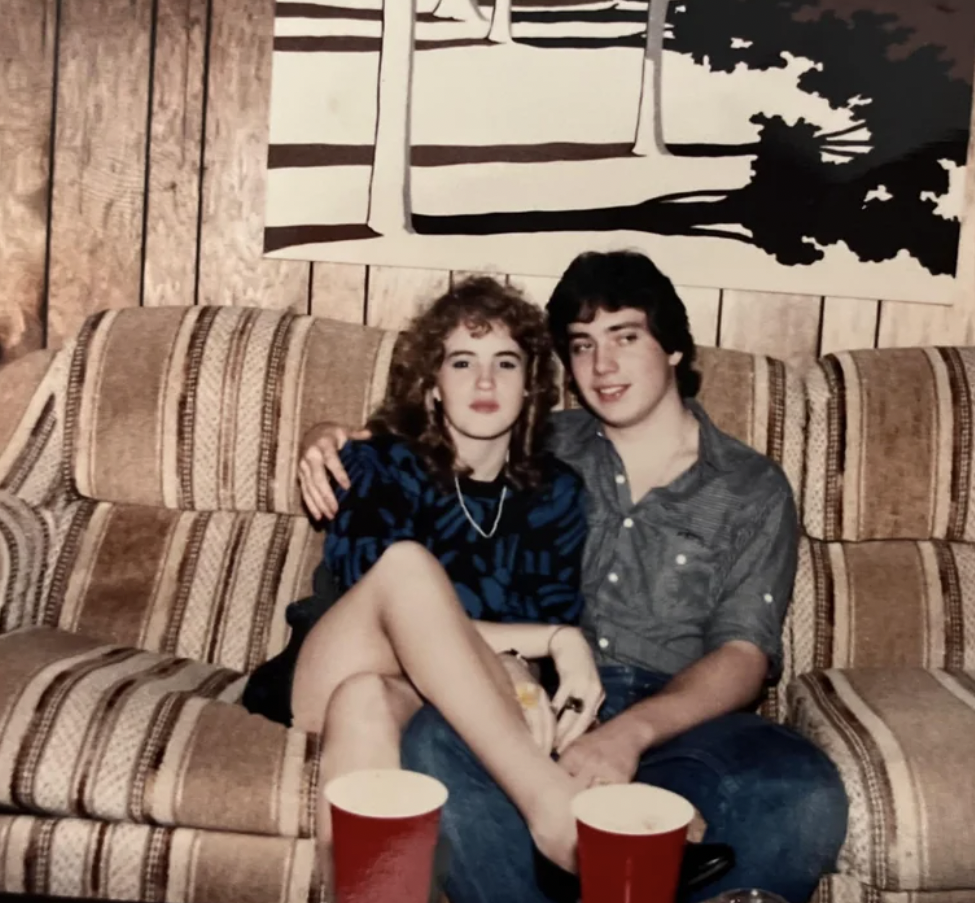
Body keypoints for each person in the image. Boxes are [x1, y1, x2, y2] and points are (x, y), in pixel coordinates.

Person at [297, 251, 849, 903]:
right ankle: (566, 825)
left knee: (803, 791)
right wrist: (323, 435)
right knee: (433, 746)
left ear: (673, 348)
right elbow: (424, 446)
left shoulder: (750, 487)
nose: (602, 366)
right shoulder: (545, 442)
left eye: (625, 337)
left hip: (675, 717)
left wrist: (628, 735)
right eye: (582, 346)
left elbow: (744, 654)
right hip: (534, 701)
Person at [242, 277, 599, 870]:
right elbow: (388, 608)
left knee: (366, 705)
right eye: (462, 362)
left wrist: (527, 653)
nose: (485, 382)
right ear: (433, 386)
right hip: (330, 665)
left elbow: (539, 613)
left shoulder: (555, 492)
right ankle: (549, 804)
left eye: (505, 363)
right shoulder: (379, 463)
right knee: (406, 569)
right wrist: (555, 642)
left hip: (412, 695)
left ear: (531, 386)